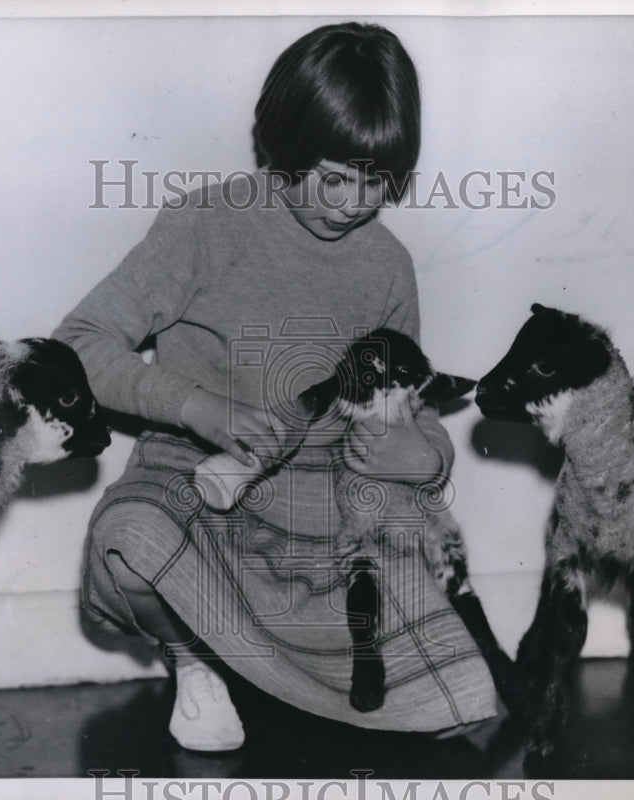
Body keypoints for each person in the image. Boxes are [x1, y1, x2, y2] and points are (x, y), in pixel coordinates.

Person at [54, 21, 495, 752]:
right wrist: (198, 407)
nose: (355, 201)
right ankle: (199, 661)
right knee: (127, 542)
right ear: (280, 148)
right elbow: (79, 345)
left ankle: (285, 677)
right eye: (334, 177)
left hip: (327, 515)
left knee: (460, 701)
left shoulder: (388, 265)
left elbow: (412, 416)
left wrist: (422, 459)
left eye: (376, 181)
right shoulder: (204, 223)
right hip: (196, 487)